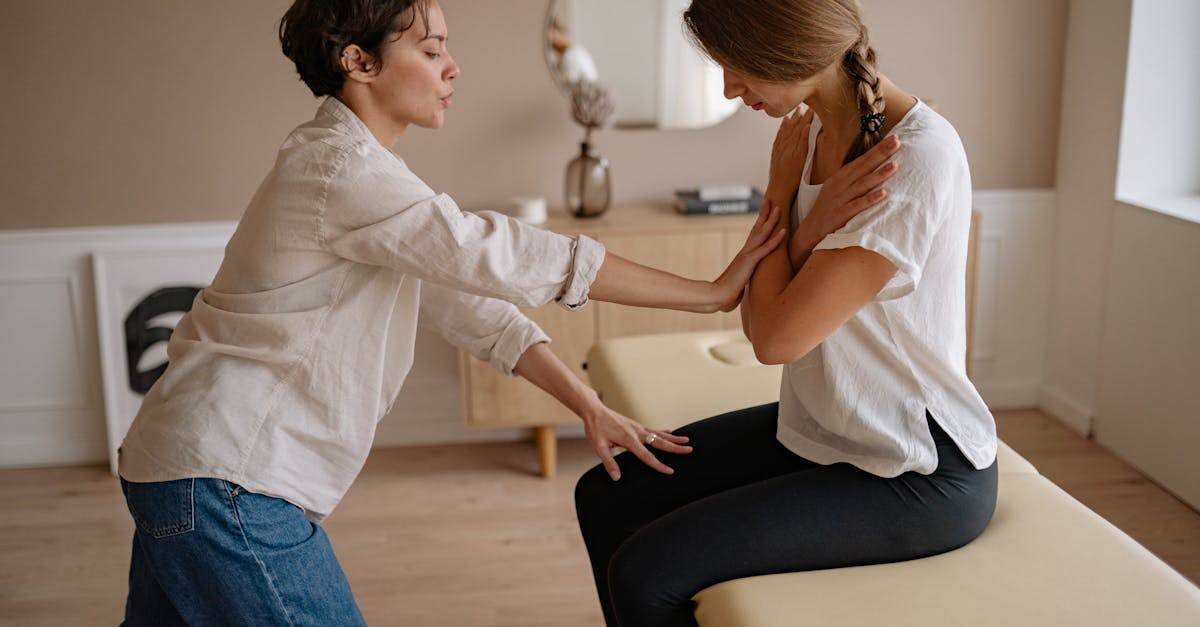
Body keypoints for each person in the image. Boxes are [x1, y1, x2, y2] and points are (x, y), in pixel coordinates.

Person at [114, 1, 814, 624]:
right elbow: (497, 254)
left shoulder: (361, 173)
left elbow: (473, 307)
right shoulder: (342, 173)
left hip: (185, 468)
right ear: (358, 62)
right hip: (226, 483)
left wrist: (587, 405)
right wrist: (709, 290)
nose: (452, 67)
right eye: (431, 49)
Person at [573, 1, 999, 625]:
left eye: (739, 68)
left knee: (646, 571)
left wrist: (778, 196)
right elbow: (761, 314)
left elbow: (773, 337)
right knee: (607, 495)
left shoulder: (911, 163)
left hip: (916, 465)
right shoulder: (815, 137)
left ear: (795, 50)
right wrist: (802, 218)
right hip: (827, 426)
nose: (728, 88)